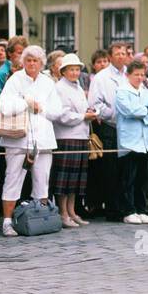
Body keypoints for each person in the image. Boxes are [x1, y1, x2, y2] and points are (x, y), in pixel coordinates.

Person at [0, 46, 61, 237]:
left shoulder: (48, 82)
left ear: (41, 63)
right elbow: (4, 107)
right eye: (29, 60)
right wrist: (25, 102)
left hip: (43, 138)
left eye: (36, 60)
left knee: (42, 179)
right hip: (18, 138)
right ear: (23, 62)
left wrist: (40, 108)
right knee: (12, 178)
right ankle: (7, 222)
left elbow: (57, 111)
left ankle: (41, 218)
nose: (32, 64)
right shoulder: (15, 80)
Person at [86, 41, 132, 221]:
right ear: (110, 57)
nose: (121, 56)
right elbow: (95, 104)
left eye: (124, 53)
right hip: (110, 126)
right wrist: (115, 114)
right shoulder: (101, 77)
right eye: (117, 54)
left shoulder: (130, 74)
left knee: (126, 170)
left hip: (129, 129)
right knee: (111, 170)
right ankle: (112, 209)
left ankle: (125, 206)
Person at [115, 60, 148, 225]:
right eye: (136, 74)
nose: (140, 78)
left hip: (146, 141)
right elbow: (128, 110)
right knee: (129, 178)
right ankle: (128, 210)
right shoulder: (121, 91)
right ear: (128, 75)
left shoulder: (147, 92)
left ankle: (141, 209)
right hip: (129, 141)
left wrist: (144, 115)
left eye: (142, 74)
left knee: (142, 178)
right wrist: (146, 110)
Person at [50, 54, 93, 229]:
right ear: (63, 71)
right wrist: (84, 116)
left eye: (77, 69)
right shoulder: (59, 88)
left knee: (76, 179)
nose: (75, 73)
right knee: (65, 178)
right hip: (66, 136)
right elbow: (62, 115)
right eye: (71, 69)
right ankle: (63, 213)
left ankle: (72, 211)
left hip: (80, 135)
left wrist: (87, 112)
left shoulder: (77, 86)